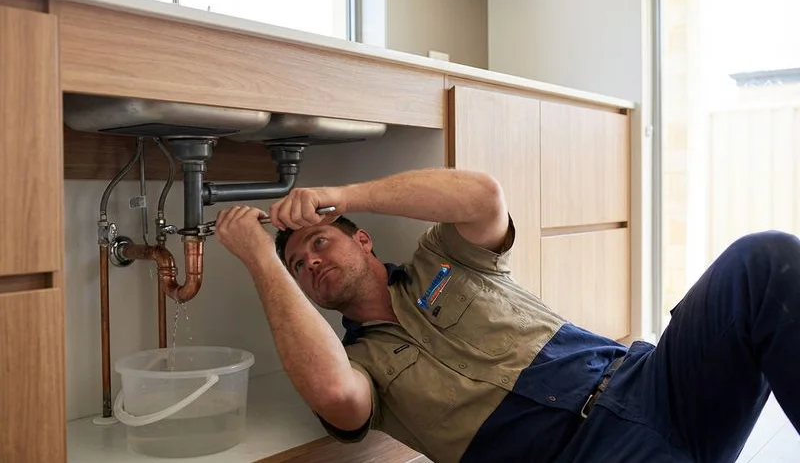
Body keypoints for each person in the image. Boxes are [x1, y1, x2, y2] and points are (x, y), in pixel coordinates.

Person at [213, 168, 800, 463]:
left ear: (362, 241)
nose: (310, 261)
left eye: (319, 243)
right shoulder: (356, 363)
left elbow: (483, 199)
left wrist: (348, 193)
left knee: (763, 259)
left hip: (652, 384)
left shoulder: (444, 258)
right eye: (298, 265)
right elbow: (337, 398)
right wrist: (264, 260)